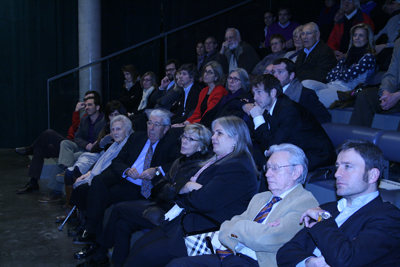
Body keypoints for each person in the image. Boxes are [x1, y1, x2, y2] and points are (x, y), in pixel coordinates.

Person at [123, 116, 259, 267]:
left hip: (201, 231)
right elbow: (187, 188)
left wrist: (184, 190)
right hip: (184, 222)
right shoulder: (219, 161)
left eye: (219, 133)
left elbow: (201, 201)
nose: (213, 137)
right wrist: (186, 186)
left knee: (141, 257)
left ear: (235, 138)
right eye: (214, 133)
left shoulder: (237, 167)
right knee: (137, 249)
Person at [78, 123, 211, 266]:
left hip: (169, 214)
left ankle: (100, 251)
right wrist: (167, 188)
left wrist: (167, 188)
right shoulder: (181, 160)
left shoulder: (196, 167)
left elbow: (171, 193)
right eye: (184, 137)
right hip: (160, 204)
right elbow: (159, 187)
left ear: (201, 146)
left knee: (119, 209)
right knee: (122, 225)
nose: (184, 141)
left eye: (191, 139)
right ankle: (114, 262)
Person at [166, 143, 319, 267]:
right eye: (267, 168)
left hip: (256, 263)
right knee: (177, 264)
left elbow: (267, 239)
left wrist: (240, 228)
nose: (267, 174)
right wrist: (252, 229)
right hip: (230, 255)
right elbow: (225, 228)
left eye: (275, 168)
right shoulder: (261, 197)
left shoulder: (305, 202)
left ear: (296, 172)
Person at [277, 139, 400, 267]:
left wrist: (323, 218)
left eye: (348, 166)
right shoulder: (327, 208)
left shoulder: (390, 218)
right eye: (337, 167)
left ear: (373, 175)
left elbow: (345, 260)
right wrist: (309, 263)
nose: (337, 174)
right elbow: (284, 253)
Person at [71, 109, 181, 245]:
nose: (151, 128)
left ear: (166, 129)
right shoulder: (137, 138)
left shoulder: (170, 144)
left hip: (140, 187)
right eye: (149, 123)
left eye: (156, 125)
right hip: (124, 176)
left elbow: (178, 163)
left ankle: (91, 233)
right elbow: (117, 161)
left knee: (100, 195)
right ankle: (90, 231)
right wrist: (127, 170)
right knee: (98, 182)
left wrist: (157, 170)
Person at [243, 74, 335, 171]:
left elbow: (274, 144)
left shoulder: (289, 111)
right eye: (253, 93)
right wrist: (267, 151)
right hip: (291, 150)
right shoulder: (266, 107)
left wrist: (258, 118)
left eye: (259, 92)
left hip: (315, 154)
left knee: (271, 166)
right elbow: (259, 137)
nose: (255, 98)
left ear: (273, 92)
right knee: (250, 155)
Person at [52, 101, 127, 221]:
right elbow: (92, 147)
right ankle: (70, 210)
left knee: (82, 176)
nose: (114, 118)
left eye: (117, 114)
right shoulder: (107, 127)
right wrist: (103, 142)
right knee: (71, 171)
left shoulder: (126, 131)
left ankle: (75, 209)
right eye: (111, 115)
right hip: (97, 155)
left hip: (108, 162)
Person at [16, 91, 99, 194]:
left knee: (49, 133)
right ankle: (33, 183)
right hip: (70, 143)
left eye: (89, 102)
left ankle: (30, 149)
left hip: (77, 147)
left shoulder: (92, 118)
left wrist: (76, 111)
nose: (86, 105)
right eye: (85, 102)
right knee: (40, 149)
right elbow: (77, 134)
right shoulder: (86, 118)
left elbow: (77, 129)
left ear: (97, 105)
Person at [303, 23, 376, 108]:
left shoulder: (369, 57)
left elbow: (349, 75)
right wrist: (343, 74)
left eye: (361, 35)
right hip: (331, 84)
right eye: (355, 35)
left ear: (367, 39)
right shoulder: (348, 56)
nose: (357, 38)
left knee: (315, 96)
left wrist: (340, 74)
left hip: (345, 90)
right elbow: (329, 75)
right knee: (305, 84)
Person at [349, 38, 400, 129]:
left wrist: (397, 96)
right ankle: (355, 141)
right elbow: (392, 73)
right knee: (365, 95)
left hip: (398, 95)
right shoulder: (398, 43)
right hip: (396, 91)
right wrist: (386, 91)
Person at [272, 58, 332, 124]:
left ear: (291, 75)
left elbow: (325, 117)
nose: (275, 76)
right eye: (273, 72)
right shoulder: (270, 92)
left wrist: (299, 124)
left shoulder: (305, 94)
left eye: (280, 72)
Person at [172, 61, 227, 127]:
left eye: (210, 72)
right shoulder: (204, 90)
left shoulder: (219, 91)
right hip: (199, 122)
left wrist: (188, 124)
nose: (205, 74)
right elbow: (197, 113)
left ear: (216, 77)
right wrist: (184, 123)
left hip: (210, 124)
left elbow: (208, 114)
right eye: (205, 71)